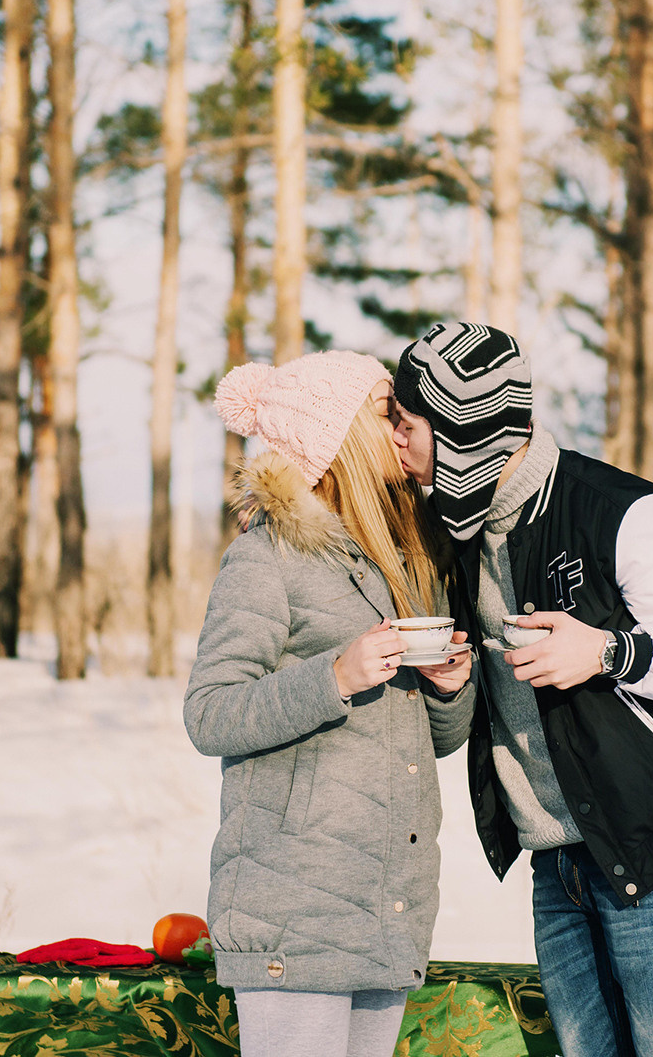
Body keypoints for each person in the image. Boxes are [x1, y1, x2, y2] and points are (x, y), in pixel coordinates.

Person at [388, 321, 653, 1057]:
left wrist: (608, 651)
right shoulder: (461, 531)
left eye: (408, 421)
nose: (395, 436)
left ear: (461, 431)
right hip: (558, 860)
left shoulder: (621, 511)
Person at [185, 350, 475, 1057]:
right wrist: (334, 676)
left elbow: (436, 741)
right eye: (386, 411)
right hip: (294, 909)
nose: (406, 425)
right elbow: (211, 711)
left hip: (387, 903)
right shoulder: (269, 555)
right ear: (339, 432)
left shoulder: (412, 552)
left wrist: (449, 688)